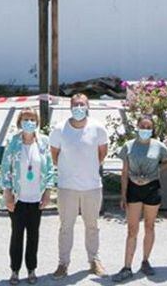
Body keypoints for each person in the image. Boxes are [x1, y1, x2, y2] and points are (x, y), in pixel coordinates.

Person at [49, 93, 108, 278]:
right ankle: (63, 263)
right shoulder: (59, 130)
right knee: (66, 227)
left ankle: (94, 260)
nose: (79, 108)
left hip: (92, 186)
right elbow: (55, 156)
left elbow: (102, 154)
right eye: (75, 104)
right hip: (67, 187)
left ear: (88, 106)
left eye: (82, 104)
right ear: (70, 106)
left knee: (92, 226)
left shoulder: (98, 128)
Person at [112, 115, 167, 282]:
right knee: (132, 229)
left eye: (149, 127)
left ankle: (145, 261)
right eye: (143, 126)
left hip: (152, 188)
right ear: (137, 126)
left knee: (149, 226)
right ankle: (127, 266)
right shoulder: (128, 146)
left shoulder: (159, 146)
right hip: (133, 189)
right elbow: (124, 173)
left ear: (152, 129)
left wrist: (157, 171)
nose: (145, 130)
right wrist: (123, 195)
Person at [0, 108, 55, 285]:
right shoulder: (13, 142)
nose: (29, 122)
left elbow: (49, 169)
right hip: (18, 198)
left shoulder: (44, 142)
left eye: (32, 119)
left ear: (37, 122)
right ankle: (14, 270)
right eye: (25, 119)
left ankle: (31, 269)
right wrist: (7, 193)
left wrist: (47, 191)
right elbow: (5, 169)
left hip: (36, 198)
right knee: (17, 234)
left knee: (33, 235)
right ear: (20, 122)